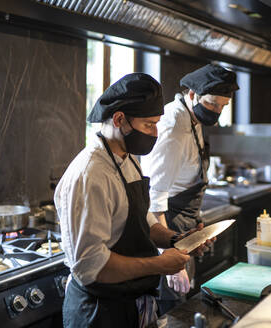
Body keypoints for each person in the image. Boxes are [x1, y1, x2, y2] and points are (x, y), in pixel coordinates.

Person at [54, 73, 211, 328]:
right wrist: (159, 264)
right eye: (149, 124)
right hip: (99, 312)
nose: (156, 133)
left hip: (130, 304)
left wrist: (177, 240)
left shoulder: (127, 158)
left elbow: (143, 220)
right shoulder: (90, 174)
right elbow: (91, 265)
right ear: (119, 119)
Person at [141, 64, 239, 314]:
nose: (216, 111)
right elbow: (154, 198)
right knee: (172, 306)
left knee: (183, 297)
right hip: (167, 225)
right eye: (212, 104)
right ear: (192, 94)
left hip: (184, 222)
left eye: (222, 106)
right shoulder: (173, 126)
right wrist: (169, 256)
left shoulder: (191, 117)